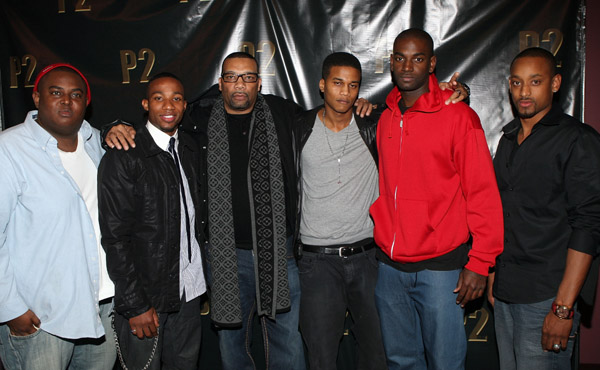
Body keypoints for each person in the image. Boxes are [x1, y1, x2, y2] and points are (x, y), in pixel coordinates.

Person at [104, 52, 466, 370]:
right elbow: (160, 117)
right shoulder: (196, 120)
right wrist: (115, 126)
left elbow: (341, 113)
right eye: (231, 77)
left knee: (290, 344)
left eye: (248, 77)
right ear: (220, 83)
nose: (240, 84)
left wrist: (443, 95)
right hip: (222, 257)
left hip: (281, 252)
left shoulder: (284, 114)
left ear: (259, 82)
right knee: (232, 346)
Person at [370, 28, 504, 370]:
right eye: (399, 58)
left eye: (417, 58)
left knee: (446, 363)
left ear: (432, 63)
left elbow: (483, 194)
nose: (407, 66)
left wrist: (479, 262)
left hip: (441, 268)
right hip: (389, 267)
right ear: (391, 63)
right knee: (400, 361)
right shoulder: (386, 118)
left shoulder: (459, 116)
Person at [488, 47, 600, 370]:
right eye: (517, 82)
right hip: (507, 293)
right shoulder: (507, 140)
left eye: (535, 81)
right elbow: (501, 212)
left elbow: (589, 227)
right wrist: (496, 273)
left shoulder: (577, 140)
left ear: (555, 83)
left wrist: (563, 309)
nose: (524, 92)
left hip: (547, 298)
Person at [0, 64, 116, 370]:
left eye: (76, 94)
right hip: (40, 317)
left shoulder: (99, 145)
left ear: (86, 103)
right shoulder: (8, 149)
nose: (67, 101)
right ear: (37, 98)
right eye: (56, 93)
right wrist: (10, 308)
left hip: (102, 308)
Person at [98, 73, 206, 369]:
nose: (168, 105)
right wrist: (135, 304)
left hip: (189, 291)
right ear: (146, 104)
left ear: (185, 105)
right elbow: (115, 236)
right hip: (147, 298)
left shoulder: (190, 149)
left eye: (176, 98)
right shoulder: (125, 154)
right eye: (159, 98)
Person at [294, 52, 387, 370]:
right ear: (322, 85)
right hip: (316, 263)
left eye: (353, 85)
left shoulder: (373, 126)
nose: (345, 92)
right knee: (321, 358)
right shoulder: (299, 129)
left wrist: (455, 92)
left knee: (377, 355)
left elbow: (417, 110)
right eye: (337, 83)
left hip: (368, 259)